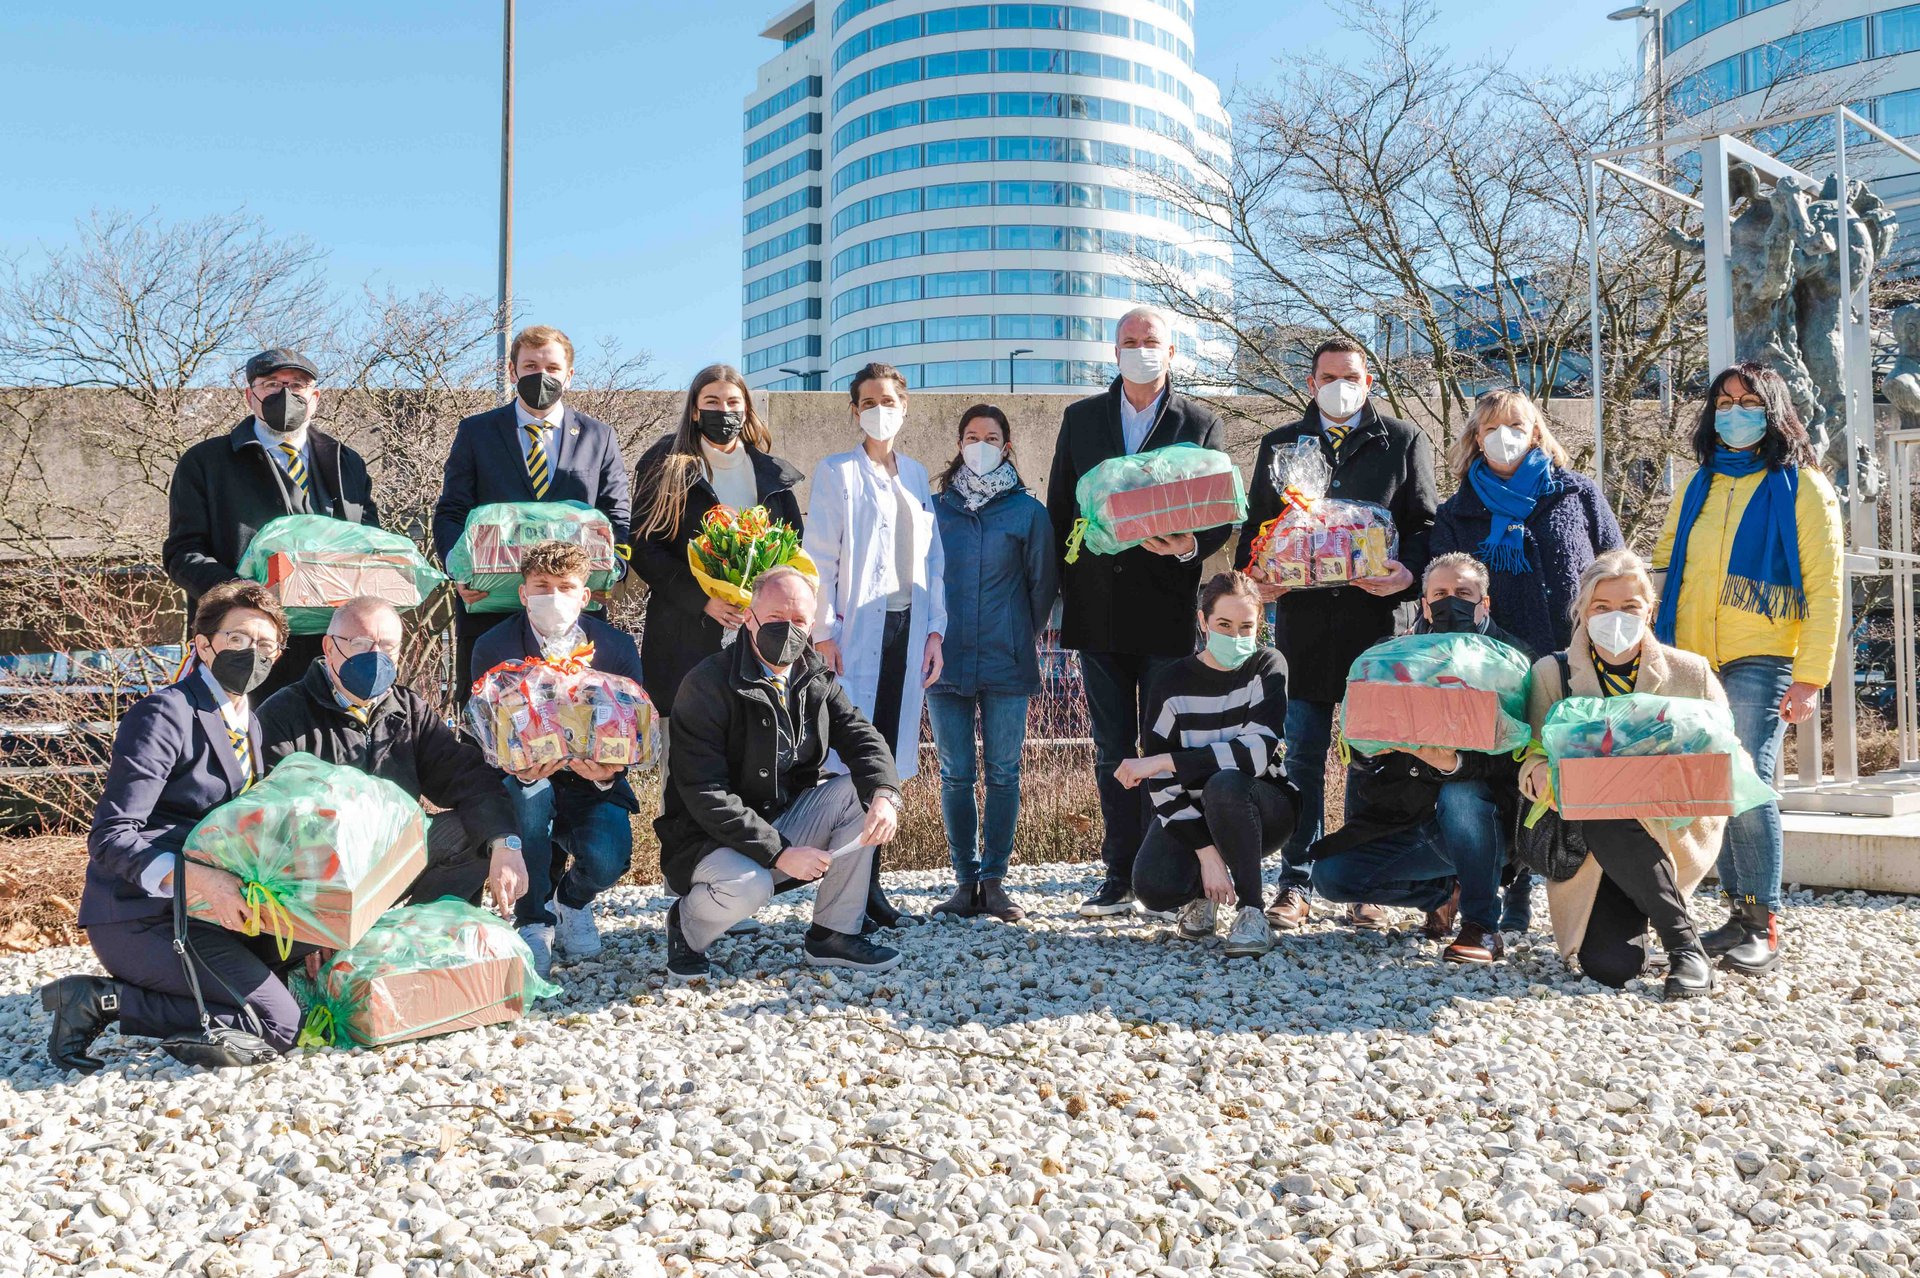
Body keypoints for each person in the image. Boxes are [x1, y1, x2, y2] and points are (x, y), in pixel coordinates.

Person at [42, 582, 308, 1070]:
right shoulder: (165, 713)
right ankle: (101, 1000)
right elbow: (111, 835)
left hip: (211, 909)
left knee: (295, 973)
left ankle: (171, 1002)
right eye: (238, 640)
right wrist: (196, 880)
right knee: (278, 1026)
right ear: (203, 646)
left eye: (266, 645)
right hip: (143, 915)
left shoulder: (248, 720)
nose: (253, 654)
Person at [1235, 336, 1436, 933]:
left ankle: (1361, 884)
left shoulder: (1401, 440)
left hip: (1377, 630)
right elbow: (1257, 529)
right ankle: (1294, 883)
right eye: (1326, 376)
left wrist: (1408, 575)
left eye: (1349, 375)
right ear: (1311, 383)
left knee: (1372, 758)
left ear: (1368, 381)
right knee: (1300, 756)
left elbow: (1423, 525)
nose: (1338, 385)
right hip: (1303, 628)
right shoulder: (1281, 446)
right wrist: (1259, 575)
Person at [1652, 361, 1843, 976]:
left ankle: (1763, 922)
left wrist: (1812, 676)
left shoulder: (1804, 487)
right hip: (1691, 656)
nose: (1736, 411)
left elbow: (1826, 588)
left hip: (1762, 653)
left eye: (1750, 400)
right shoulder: (1699, 483)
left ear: (1774, 408)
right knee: (1713, 781)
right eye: (1726, 400)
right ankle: (1737, 916)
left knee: (1746, 775)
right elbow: (1664, 562)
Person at [1045, 306, 1232, 917]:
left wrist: (1189, 548)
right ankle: (1118, 870)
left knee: (1166, 743)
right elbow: (1059, 507)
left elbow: (1221, 512)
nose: (1140, 349)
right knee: (1109, 747)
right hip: (1096, 610)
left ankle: (1168, 867)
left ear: (1172, 352)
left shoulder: (1199, 421)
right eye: (1129, 341)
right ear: (1113, 351)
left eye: (1150, 341)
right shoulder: (1080, 419)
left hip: (1166, 609)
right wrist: (1059, 592)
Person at [655, 565, 907, 982]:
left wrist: (885, 792)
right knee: (750, 885)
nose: (788, 631)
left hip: (783, 818)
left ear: (812, 624)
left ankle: (833, 933)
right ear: (749, 617)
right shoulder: (706, 683)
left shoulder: (814, 675)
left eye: (799, 621)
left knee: (858, 792)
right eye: (775, 620)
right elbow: (704, 792)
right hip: (707, 838)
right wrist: (779, 852)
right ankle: (686, 927)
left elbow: (862, 736)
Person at [1430, 392, 1620, 933]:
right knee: (1507, 771)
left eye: (1517, 424)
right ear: (1474, 438)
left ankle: (1584, 893)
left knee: (1567, 771)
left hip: (1572, 663)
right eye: (1491, 426)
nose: (1505, 435)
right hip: (1496, 667)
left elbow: (1613, 566)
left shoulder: (1577, 494)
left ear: (1537, 432)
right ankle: (1511, 885)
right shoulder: (1457, 511)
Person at [1518, 550, 1724, 999]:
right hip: (1589, 839)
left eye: (1630, 607)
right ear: (1582, 611)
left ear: (1649, 609)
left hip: (1668, 828)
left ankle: (1683, 945)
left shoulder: (1692, 672)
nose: (1616, 618)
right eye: (1601, 608)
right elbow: (1532, 751)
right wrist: (1536, 774)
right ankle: (1664, 922)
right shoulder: (1552, 673)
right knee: (1610, 968)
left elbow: (1722, 752)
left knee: (1605, 795)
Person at [1307, 554, 1533, 963]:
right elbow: (1357, 746)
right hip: (1412, 822)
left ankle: (1481, 927)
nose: (1452, 602)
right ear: (1424, 604)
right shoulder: (1389, 658)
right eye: (1440, 594)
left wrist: (1455, 764)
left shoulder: (1515, 660)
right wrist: (1371, 748)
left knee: (1461, 795)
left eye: (1464, 593)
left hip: (1486, 825)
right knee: (1331, 877)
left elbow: (1523, 756)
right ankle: (1447, 894)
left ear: (1486, 602)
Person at [255, 596, 528, 914]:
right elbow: (269, 816)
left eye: (387, 647)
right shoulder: (283, 712)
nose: (375, 656)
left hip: (395, 856)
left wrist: (505, 841)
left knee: (474, 833)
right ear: (329, 648)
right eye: (360, 644)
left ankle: (411, 938)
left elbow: (466, 776)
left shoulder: (408, 710)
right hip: (320, 869)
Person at [803, 361, 945, 930]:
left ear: (905, 407)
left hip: (907, 634)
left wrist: (937, 630)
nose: (879, 408)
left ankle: (875, 888)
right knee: (854, 760)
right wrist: (823, 633)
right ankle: (849, 894)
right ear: (855, 409)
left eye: (889, 399)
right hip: (854, 636)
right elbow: (818, 557)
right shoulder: (837, 472)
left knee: (885, 759)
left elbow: (933, 563)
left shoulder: (915, 475)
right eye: (868, 400)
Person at [162, 347, 380, 701]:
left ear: (315, 397)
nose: (285, 394)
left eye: (297, 384)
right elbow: (182, 555)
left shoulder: (347, 463)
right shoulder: (205, 463)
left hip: (333, 648)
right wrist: (246, 594)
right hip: (244, 645)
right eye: (271, 384)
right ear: (250, 396)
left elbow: (372, 543)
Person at [471, 540, 642, 979]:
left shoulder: (616, 647)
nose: (553, 597)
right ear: (523, 593)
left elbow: (633, 726)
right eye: (541, 586)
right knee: (528, 797)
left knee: (608, 858)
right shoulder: (494, 646)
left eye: (566, 587)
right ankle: (533, 920)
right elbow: (483, 729)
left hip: (592, 784)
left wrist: (611, 770)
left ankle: (572, 902)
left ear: (585, 596)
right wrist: (514, 766)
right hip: (524, 781)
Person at [433, 325, 633, 698]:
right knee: (489, 715)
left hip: (574, 610)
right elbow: (451, 510)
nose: (541, 375)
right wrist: (456, 569)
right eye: (530, 366)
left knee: (578, 709)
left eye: (553, 368)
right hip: (492, 609)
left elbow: (616, 513)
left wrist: (613, 570)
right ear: (512, 372)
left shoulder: (598, 436)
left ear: (569, 376)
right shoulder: (476, 432)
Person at [630, 363, 803, 777]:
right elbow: (643, 546)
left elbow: (793, 551)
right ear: (694, 409)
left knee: (750, 763)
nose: (722, 411)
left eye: (732, 402)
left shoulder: (773, 474)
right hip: (685, 636)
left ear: (746, 410)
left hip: (759, 637)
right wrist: (702, 600)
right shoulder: (666, 464)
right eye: (711, 402)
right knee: (685, 766)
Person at [926, 405, 1057, 923]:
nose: (980, 443)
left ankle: (995, 882)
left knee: (1004, 772)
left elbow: (1042, 586)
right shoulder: (934, 508)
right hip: (945, 661)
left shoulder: (1028, 512)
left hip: (1007, 659)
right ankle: (963, 881)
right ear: (959, 444)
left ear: (1007, 447)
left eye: (992, 436)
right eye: (971, 436)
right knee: (955, 773)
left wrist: (1017, 633)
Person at [1120, 572, 1297, 958]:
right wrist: (1206, 854)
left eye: (1246, 627)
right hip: (1199, 814)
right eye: (1224, 625)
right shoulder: (1169, 684)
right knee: (1153, 886)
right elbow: (1162, 787)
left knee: (1225, 784)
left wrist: (1166, 759)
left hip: (1263, 807)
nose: (1236, 637)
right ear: (1202, 622)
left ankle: (1252, 911)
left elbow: (1254, 755)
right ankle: (1204, 895)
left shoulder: (1267, 665)